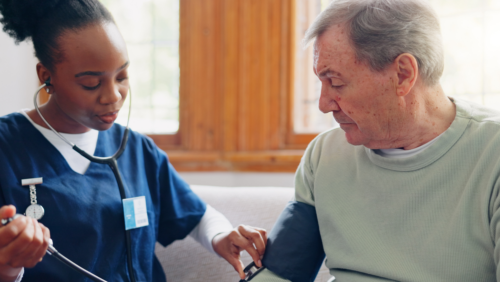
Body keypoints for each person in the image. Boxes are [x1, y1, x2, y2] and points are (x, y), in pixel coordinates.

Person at [0, 0, 267, 281]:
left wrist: (223, 238)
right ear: (46, 77)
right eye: (91, 83)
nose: (113, 96)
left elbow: (196, 215)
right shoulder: (8, 148)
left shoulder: (137, 150)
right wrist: (10, 265)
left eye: (122, 76)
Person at [251, 0, 500, 281]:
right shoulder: (325, 154)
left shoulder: (492, 154)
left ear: (403, 74)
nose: (323, 104)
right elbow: (281, 273)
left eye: (336, 82)